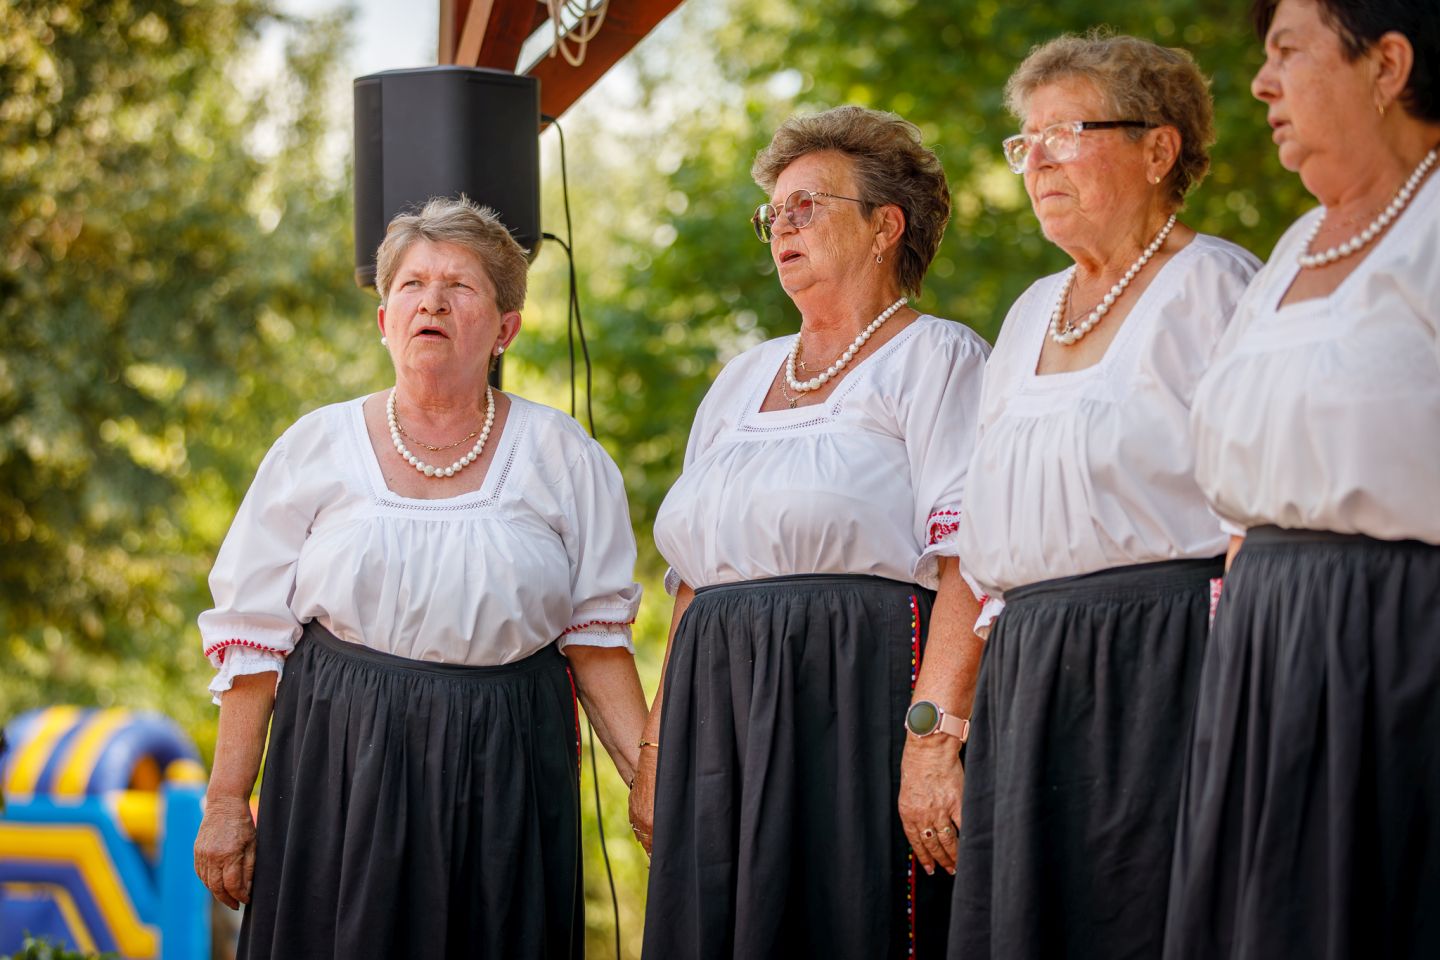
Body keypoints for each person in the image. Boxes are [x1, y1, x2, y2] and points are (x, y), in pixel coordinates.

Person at [191, 197, 647, 959]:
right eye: (411, 285)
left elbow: (597, 647)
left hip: (507, 765)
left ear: (505, 329)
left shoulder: (564, 457)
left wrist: (651, 783)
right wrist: (226, 801)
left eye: (460, 286)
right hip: (342, 759)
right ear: (383, 321)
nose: (431, 301)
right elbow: (254, 643)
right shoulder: (314, 447)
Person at [630, 106, 989, 958]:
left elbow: (970, 559)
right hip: (718, 713)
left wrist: (934, 742)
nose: (781, 228)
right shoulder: (739, 378)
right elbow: (690, 584)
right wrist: (655, 748)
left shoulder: (939, 357)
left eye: (807, 207)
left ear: (883, 227)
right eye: (774, 215)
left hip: (854, 700)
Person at [944, 33, 1261, 959]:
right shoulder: (1028, 310)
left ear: (1159, 150)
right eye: (1023, 140)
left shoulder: (1215, 285)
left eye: (1065, 132)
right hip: (1032, 665)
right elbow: (980, 533)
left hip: (1167, 660)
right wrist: (945, 726)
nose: (1035, 159)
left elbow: (1259, 515)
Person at [1166, 1, 1440, 956]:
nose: (1261, 83)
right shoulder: (1291, 249)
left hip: (1402, 644)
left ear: (1387, 64)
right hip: (1265, 643)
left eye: (1288, 52)